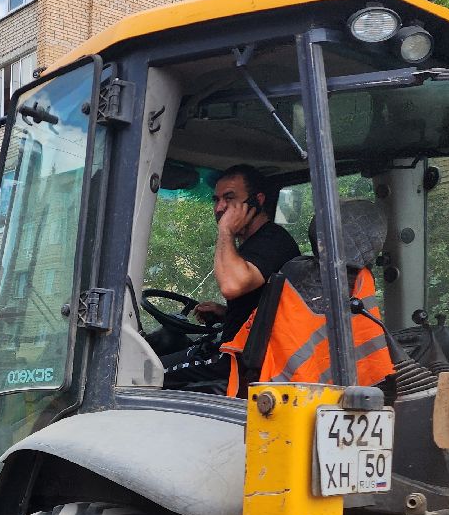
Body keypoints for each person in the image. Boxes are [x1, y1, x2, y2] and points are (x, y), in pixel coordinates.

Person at [223, 198, 395, 394]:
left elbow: (265, 325)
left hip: (284, 390)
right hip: (353, 390)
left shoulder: (296, 271)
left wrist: (225, 230)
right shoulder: (363, 281)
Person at [161, 165, 301, 390]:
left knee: (144, 374)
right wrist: (225, 313)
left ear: (257, 201)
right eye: (216, 200)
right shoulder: (255, 243)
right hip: (235, 350)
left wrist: (225, 230)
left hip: (240, 362)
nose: (219, 208)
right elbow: (265, 310)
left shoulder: (272, 242)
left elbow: (231, 286)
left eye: (229, 198)